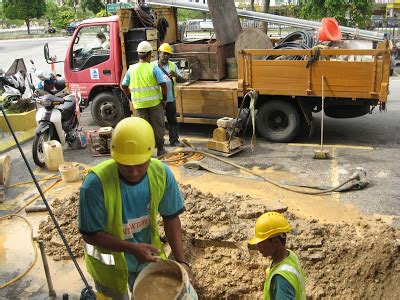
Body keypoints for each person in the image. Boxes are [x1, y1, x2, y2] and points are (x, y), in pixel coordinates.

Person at [78, 117, 193, 299]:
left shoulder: (161, 174)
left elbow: (171, 219)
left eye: (140, 165)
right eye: (125, 165)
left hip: (147, 260)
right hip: (109, 270)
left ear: (150, 154)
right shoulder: (95, 185)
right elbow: (89, 234)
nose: (133, 172)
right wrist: (132, 248)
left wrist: (181, 261)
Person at [121, 41, 168, 156]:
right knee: (158, 126)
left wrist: (130, 98)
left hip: (139, 106)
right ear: (149, 54)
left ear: (138, 54)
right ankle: (160, 150)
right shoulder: (153, 68)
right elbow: (163, 84)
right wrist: (164, 99)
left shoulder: (131, 69)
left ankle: (145, 152)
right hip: (155, 104)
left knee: (142, 129)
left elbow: (124, 85)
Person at [248, 212, 305, 300]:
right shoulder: (290, 255)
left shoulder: (281, 279)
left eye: (261, 242)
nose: (258, 247)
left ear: (275, 242)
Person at [153, 43, 186, 147]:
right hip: (158, 100)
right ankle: (158, 142)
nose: (166, 56)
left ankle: (174, 140)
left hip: (170, 99)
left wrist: (176, 75)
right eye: (164, 54)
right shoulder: (153, 66)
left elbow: (183, 80)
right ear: (159, 53)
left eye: (168, 54)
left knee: (172, 120)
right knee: (159, 122)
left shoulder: (172, 65)